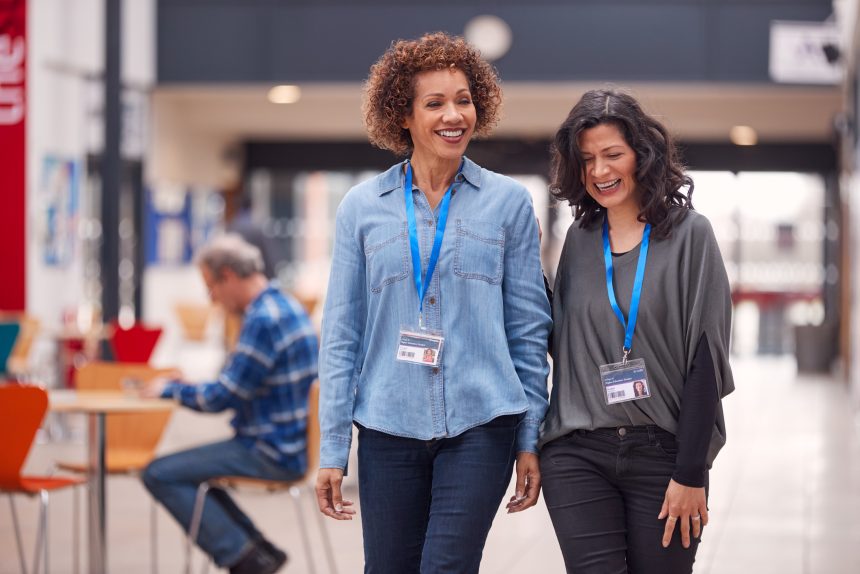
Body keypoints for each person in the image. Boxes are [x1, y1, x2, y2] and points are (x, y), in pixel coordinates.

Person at [316, 32, 551, 573]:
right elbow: (341, 333)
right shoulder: (361, 207)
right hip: (386, 425)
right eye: (435, 103)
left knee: (446, 566)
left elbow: (529, 329)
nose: (454, 115)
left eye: (464, 100)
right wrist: (332, 449)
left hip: (481, 422)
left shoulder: (508, 204)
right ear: (403, 114)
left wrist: (529, 437)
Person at [539, 89, 734, 574]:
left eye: (612, 155)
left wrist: (691, 472)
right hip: (577, 451)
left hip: (663, 454)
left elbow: (705, 361)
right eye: (587, 161)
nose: (600, 171)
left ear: (641, 155)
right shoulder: (579, 243)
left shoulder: (692, 235)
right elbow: (563, 344)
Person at [141, 234, 318, 574]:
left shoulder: (262, 319)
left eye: (211, 287)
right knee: (191, 473)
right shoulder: (285, 304)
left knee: (159, 472)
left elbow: (222, 398)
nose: (212, 298)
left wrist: (169, 390)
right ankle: (257, 550)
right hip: (290, 443)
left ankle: (245, 559)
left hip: (270, 450)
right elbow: (236, 385)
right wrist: (188, 386)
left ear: (228, 275)